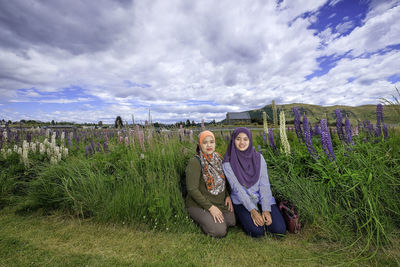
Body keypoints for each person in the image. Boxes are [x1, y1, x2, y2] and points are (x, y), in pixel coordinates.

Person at [223, 127, 286, 237]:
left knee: (279, 230)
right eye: (238, 139)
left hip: (262, 199)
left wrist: (266, 209)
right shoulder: (228, 163)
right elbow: (237, 189)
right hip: (242, 201)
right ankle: (243, 217)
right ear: (233, 140)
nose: (242, 142)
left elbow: (264, 185)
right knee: (257, 232)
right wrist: (253, 211)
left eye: (245, 139)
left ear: (250, 140)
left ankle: (264, 214)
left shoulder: (259, 158)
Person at [185, 130, 236, 237]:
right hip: (199, 205)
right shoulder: (195, 162)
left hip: (219, 202)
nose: (209, 145)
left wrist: (227, 195)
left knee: (232, 222)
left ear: (215, 143)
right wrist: (210, 207)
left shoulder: (218, 158)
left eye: (211, 142)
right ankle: (202, 219)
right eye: (205, 142)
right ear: (199, 145)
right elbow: (192, 189)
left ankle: (212, 220)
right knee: (219, 231)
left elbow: (222, 181)